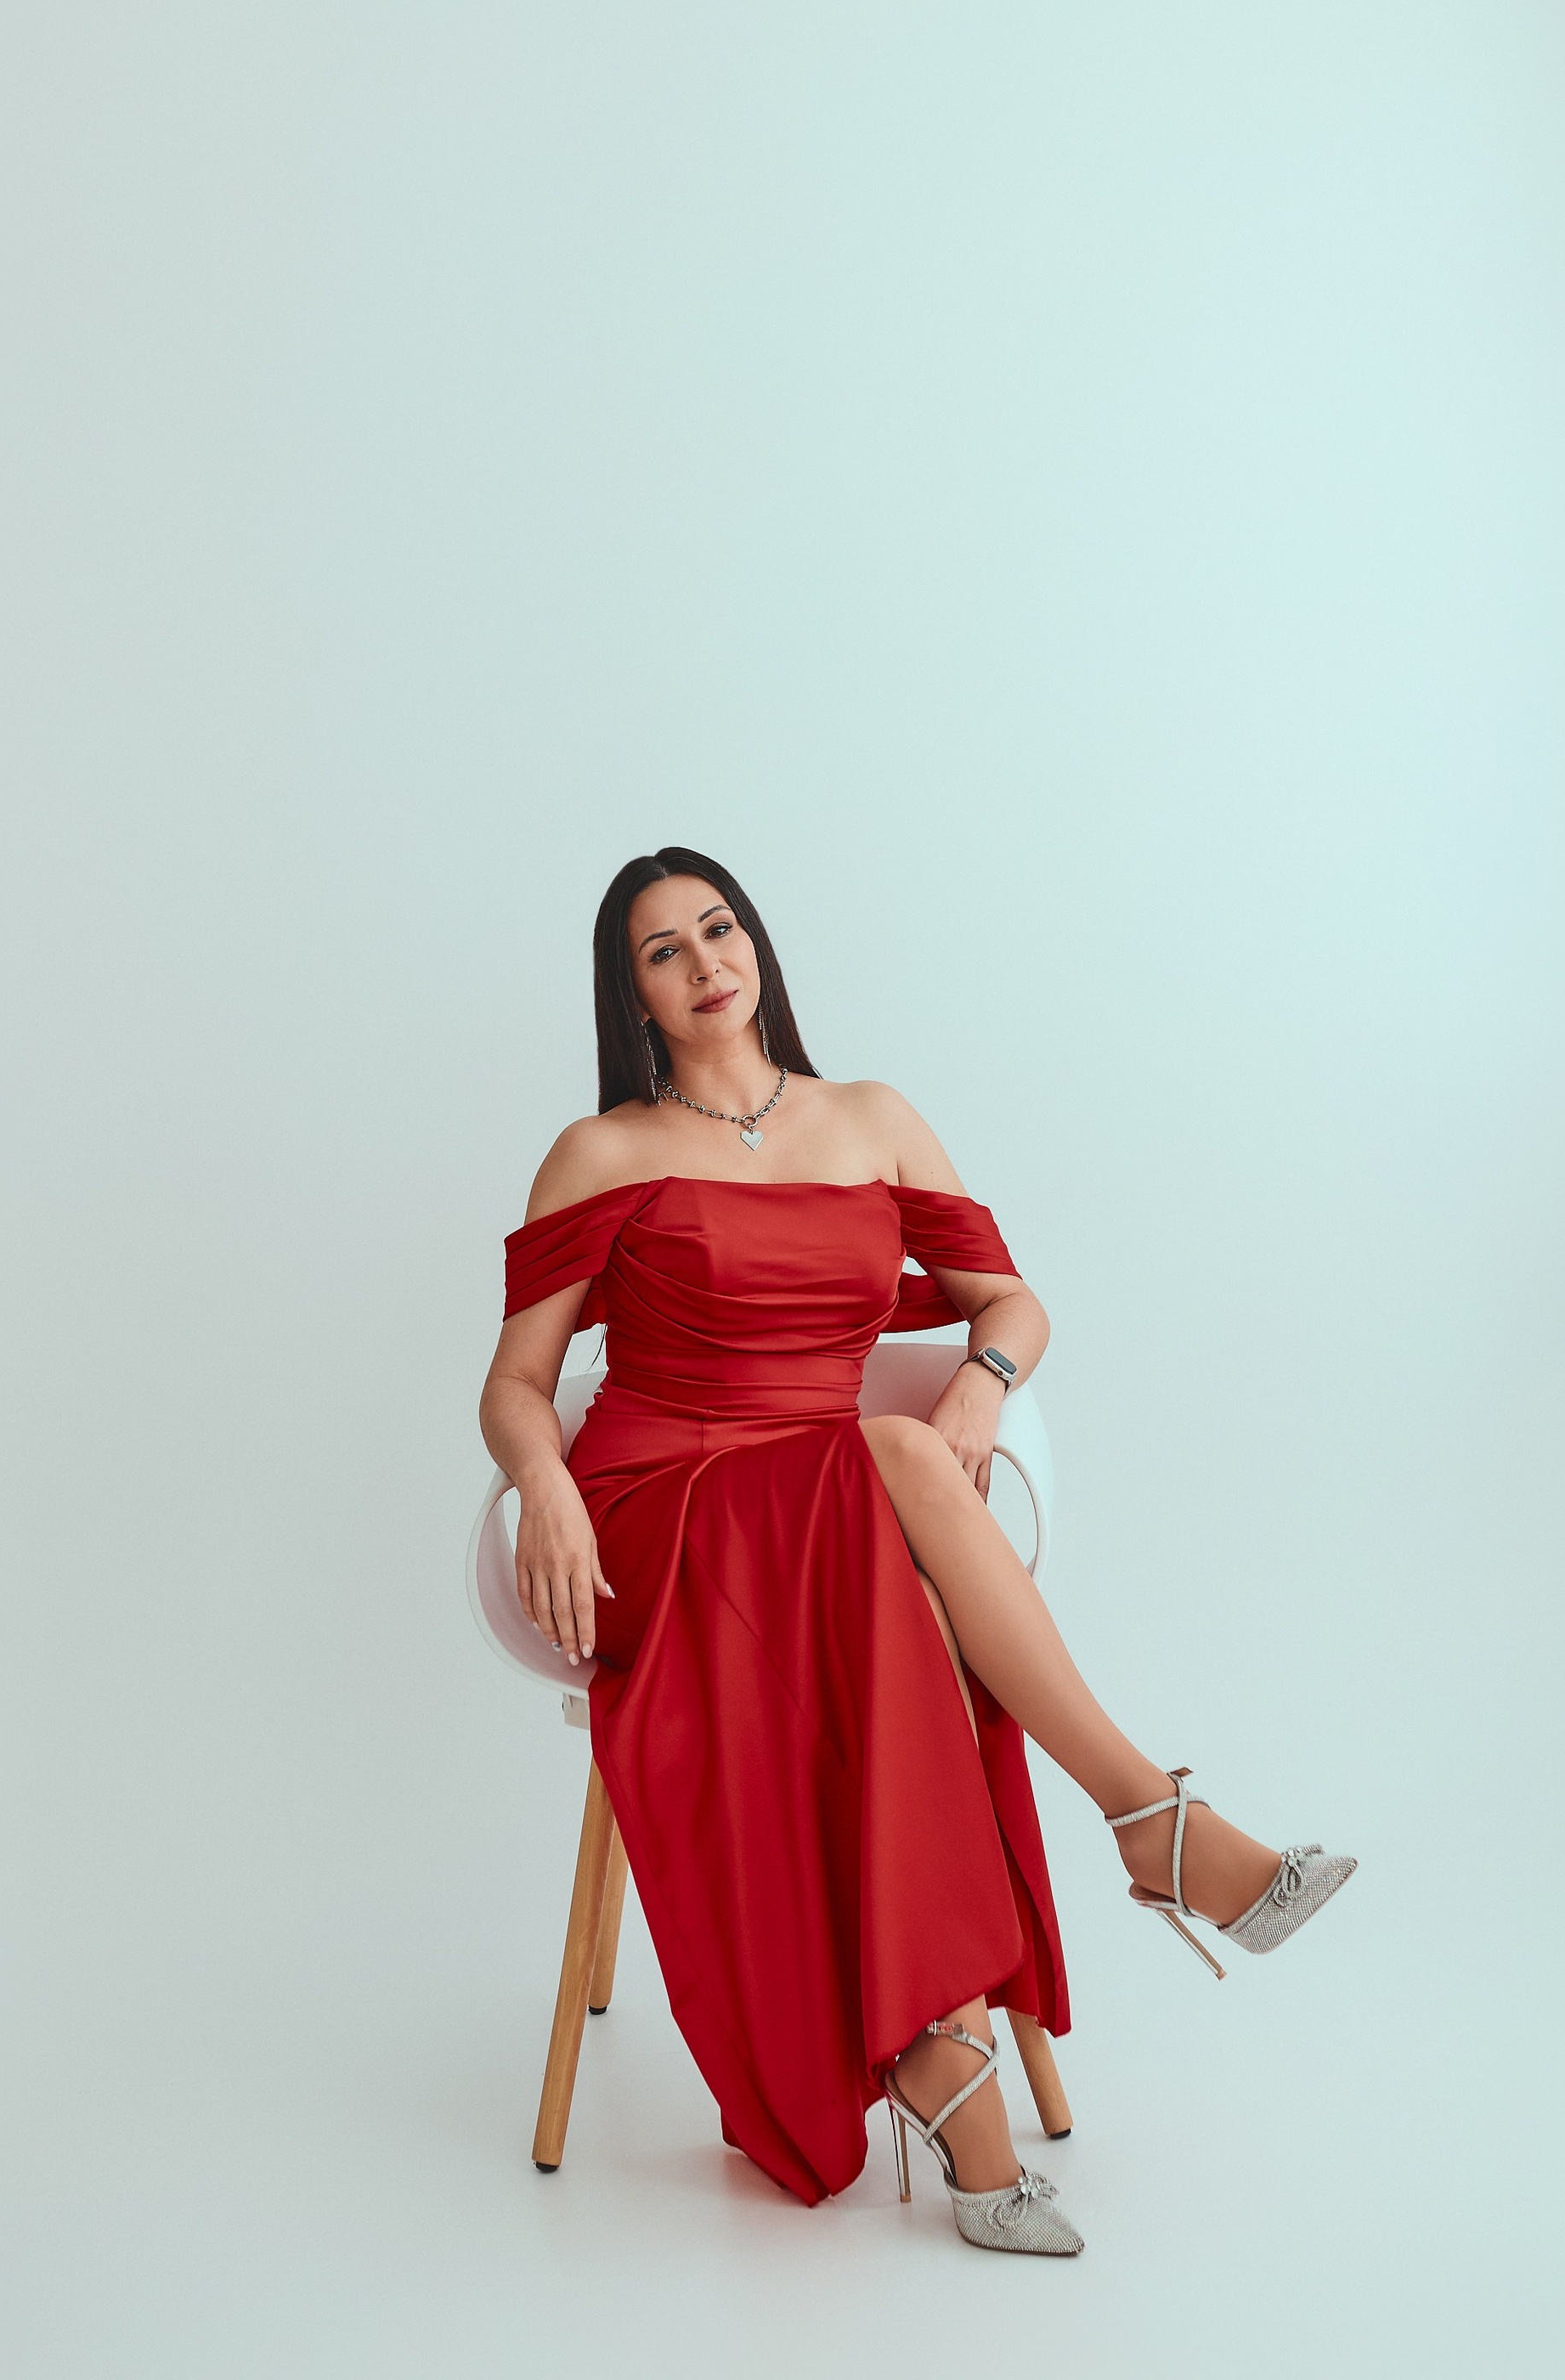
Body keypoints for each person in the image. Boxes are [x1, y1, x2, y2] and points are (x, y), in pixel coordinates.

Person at [479, 845, 1355, 2256]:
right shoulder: (602, 1151)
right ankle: (1152, 1823)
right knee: (891, 1460)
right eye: (662, 950)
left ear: (757, 946)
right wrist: (547, 1484)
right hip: (664, 1511)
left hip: (825, 1518)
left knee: (897, 1524)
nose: (704, 962)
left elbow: (1010, 1302)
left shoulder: (873, 1118)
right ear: (631, 993)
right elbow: (516, 1383)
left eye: (719, 929)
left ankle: (950, 2061)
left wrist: (983, 1383)